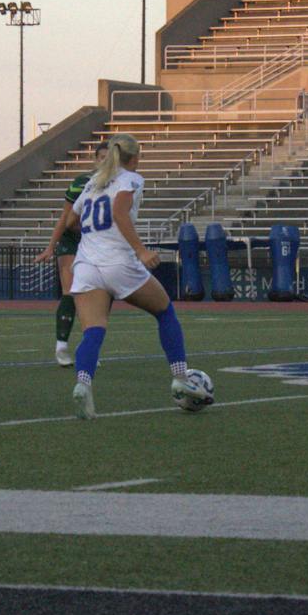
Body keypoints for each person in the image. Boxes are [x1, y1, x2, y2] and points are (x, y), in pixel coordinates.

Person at [63, 132, 192, 419]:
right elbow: (119, 211)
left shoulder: (93, 183)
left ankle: (83, 384)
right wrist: (141, 250)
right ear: (134, 158)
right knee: (164, 311)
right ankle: (181, 379)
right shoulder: (130, 178)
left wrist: (92, 236)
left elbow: (71, 220)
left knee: (93, 331)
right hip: (118, 261)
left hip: (86, 264)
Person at [34, 141, 107, 366]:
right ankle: (62, 346)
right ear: (95, 160)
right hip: (73, 239)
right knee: (71, 290)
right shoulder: (81, 183)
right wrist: (50, 247)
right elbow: (65, 220)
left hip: (95, 241)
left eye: (109, 157)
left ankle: (88, 347)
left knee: (95, 295)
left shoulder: (119, 185)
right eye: (101, 157)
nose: (105, 161)